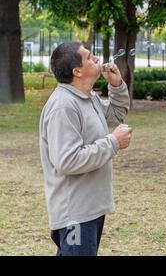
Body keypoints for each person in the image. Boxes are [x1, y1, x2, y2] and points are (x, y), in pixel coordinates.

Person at [39, 42, 132, 256]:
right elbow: (67, 161)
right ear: (77, 71)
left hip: (90, 208)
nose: (97, 59)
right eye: (89, 57)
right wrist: (113, 142)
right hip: (75, 214)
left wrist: (117, 86)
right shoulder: (63, 106)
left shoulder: (87, 98)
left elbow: (116, 114)